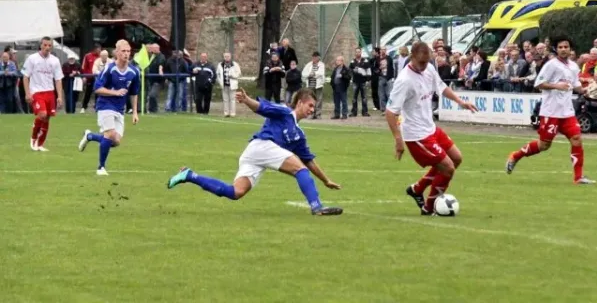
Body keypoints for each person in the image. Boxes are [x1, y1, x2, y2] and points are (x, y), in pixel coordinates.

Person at [166, 88, 343, 216]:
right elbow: (262, 108)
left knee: (235, 192)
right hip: (261, 146)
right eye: (310, 105)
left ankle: (190, 176)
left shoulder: (299, 135)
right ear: (299, 103)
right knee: (299, 170)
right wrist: (246, 99)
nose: (312, 110)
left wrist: (326, 180)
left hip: (256, 155)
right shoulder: (285, 113)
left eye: (314, 107)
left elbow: (309, 160)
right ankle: (316, 206)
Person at [384, 42, 477, 215]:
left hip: (431, 128)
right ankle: (429, 207)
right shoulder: (404, 80)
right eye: (421, 62)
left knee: (456, 158)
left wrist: (461, 102)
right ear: (412, 56)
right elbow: (390, 113)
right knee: (448, 168)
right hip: (416, 135)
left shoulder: (429, 69)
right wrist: (398, 140)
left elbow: (441, 87)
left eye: (427, 62)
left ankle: (417, 189)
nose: (424, 66)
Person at [506, 37, 596, 184]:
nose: (563, 49)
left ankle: (578, 177)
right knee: (544, 145)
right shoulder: (551, 65)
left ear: (570, 49)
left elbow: (575, 84)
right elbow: (538, 83)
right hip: (550, 112)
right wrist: (556, 86)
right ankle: (515, 156)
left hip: (567, 112)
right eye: (560, 47)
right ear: (556, 49)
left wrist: (585, 90)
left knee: (577, 139)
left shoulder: (573, 66)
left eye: (566, 46)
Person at [77, 40, 140, 176]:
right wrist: (115, 92)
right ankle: (101, 168)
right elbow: (97, 88)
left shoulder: (134, 72)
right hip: (105, 105)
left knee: (115, 141)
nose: (126, 54)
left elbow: (134, 93)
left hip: (119, 109)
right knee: (110, 134)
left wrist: (135, 112)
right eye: (123, 51)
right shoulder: (109, 69)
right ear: (116, 53)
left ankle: (90, 136)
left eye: (128, 51)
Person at [21, 37, 64, 152]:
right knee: (42, 114)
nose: (47, 48)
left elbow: (58, 79)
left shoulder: (55, 60)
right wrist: (27, 93)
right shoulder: (32, 59)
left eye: (49, 45)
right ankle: (33, 138)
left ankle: (40, 144)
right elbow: (25, 77)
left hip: (50, 92)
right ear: (41, 45)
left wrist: (59, 96)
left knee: (47, 118)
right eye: (45, 45)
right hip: (36, 91)